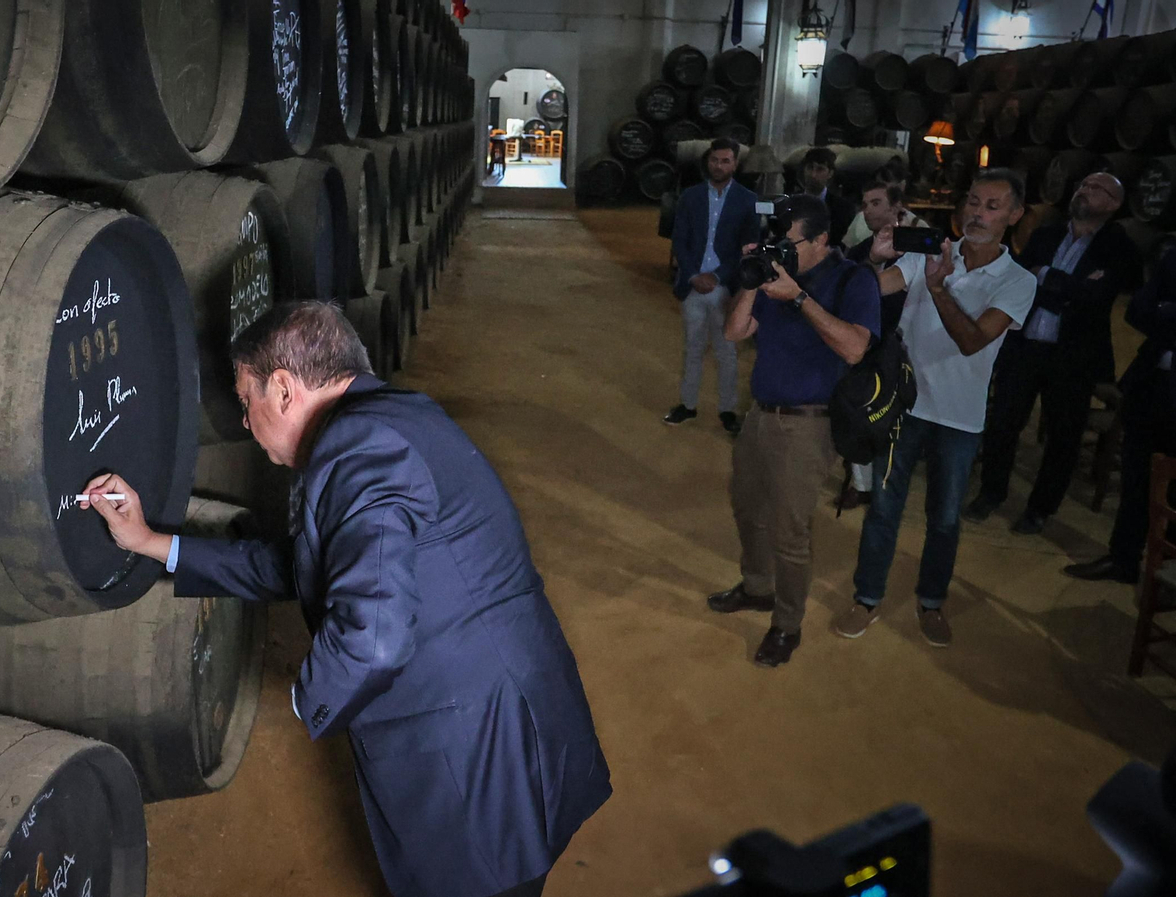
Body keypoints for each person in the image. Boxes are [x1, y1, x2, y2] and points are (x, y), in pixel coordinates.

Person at [79, 302, 611, 897]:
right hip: (510, 716)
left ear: (283, 389)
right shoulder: (396, 418)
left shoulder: (360, 446)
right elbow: (306, 566)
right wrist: (153, 542)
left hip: (472, 755)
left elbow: (374, 640)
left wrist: (310, 700)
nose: (246, 422)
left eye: (246, 399)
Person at [836, 170, 1036, 647]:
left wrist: (939, 288)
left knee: (944, 518)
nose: (978, 213)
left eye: (992, 206)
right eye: (973, 202)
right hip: (902, 405)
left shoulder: (1018, 280)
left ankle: (931, 602)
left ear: (1014, 216)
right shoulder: (931, 250)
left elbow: (972, 341)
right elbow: (872, 289)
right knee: (883, 508)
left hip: (959, 417)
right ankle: (867, 597)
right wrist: (873, 258)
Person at [708, 194, 881, 667]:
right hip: (761, 415)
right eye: (774, 241)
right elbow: (734, 332)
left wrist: (799, 298)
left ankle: (786, 625)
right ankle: (758, 587)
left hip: (809, 423)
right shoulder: (775, 274)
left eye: (790, 242)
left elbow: (854, 349)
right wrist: (752, 276)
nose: (780, 250)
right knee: (747, 507)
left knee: (790, 531)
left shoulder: (852, 279)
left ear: (822, 239)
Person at [965, 172, 1143, 535]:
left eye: (1096, 189)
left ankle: (1040, 509)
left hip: (1074, 356)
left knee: (1064, 437)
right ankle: (992, 491)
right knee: (1003, 424)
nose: (1084, 190)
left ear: (1113, 204)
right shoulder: (1046, 234)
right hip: (1026, 345)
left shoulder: (1118, 247)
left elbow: (1096, 299)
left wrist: (1045, 275)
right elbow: (1021, 283)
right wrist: (1067, 288)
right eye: (1083, 184)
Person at [1064, 244, 1176, 585]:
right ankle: (1123, 560)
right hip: (1150, 387)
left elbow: (1152, 313)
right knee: (1136, 479)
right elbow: (1137, 310)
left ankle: (1167, 573)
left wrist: (1165, 313)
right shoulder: (1173, 258)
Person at [838, 181, 929, 510]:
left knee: (894, 416)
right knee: (859, 410)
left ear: (897, 207)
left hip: (908, 343)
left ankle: (886, 482)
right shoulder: (865, 247)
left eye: (875, 203)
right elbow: (846, 281)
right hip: (868, 341)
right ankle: (863, 483)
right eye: (864, 204)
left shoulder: (923, 244)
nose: (867, 210)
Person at [666, 138, 760, 433]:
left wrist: (718, 277)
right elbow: (679, 240)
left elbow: (747, 248)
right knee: (692, 348)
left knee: (726, 351)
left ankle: (727, 410)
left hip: (724, 286)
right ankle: (688, 404)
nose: (719, 166)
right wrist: (693, 275)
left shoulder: (747, 200)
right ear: (707, 161)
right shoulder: (690, 197)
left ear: (735, 164)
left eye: (725, 161)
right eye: (715, 160)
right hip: (694, 285)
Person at [842, 160, 916, 249]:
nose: (868, 211)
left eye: (876, 203)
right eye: (876, 185)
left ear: (901, 186)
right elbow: (847, 254)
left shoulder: (916, 225)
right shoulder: (860, 219)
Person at [799, 147, 858, 249]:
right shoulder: (791, 202)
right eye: (810, 168)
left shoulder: (843, 208)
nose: (813, 175)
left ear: (830, 173)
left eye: (820, 169)